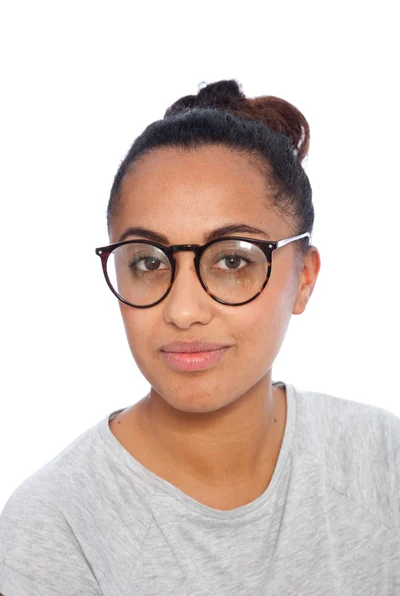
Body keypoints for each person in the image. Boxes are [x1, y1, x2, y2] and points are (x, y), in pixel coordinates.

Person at [0, 79, 399, 595]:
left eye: (233, 260)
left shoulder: (382, 462)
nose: (183, 310)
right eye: (147, 261)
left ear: (304, 278)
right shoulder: (56, 527)